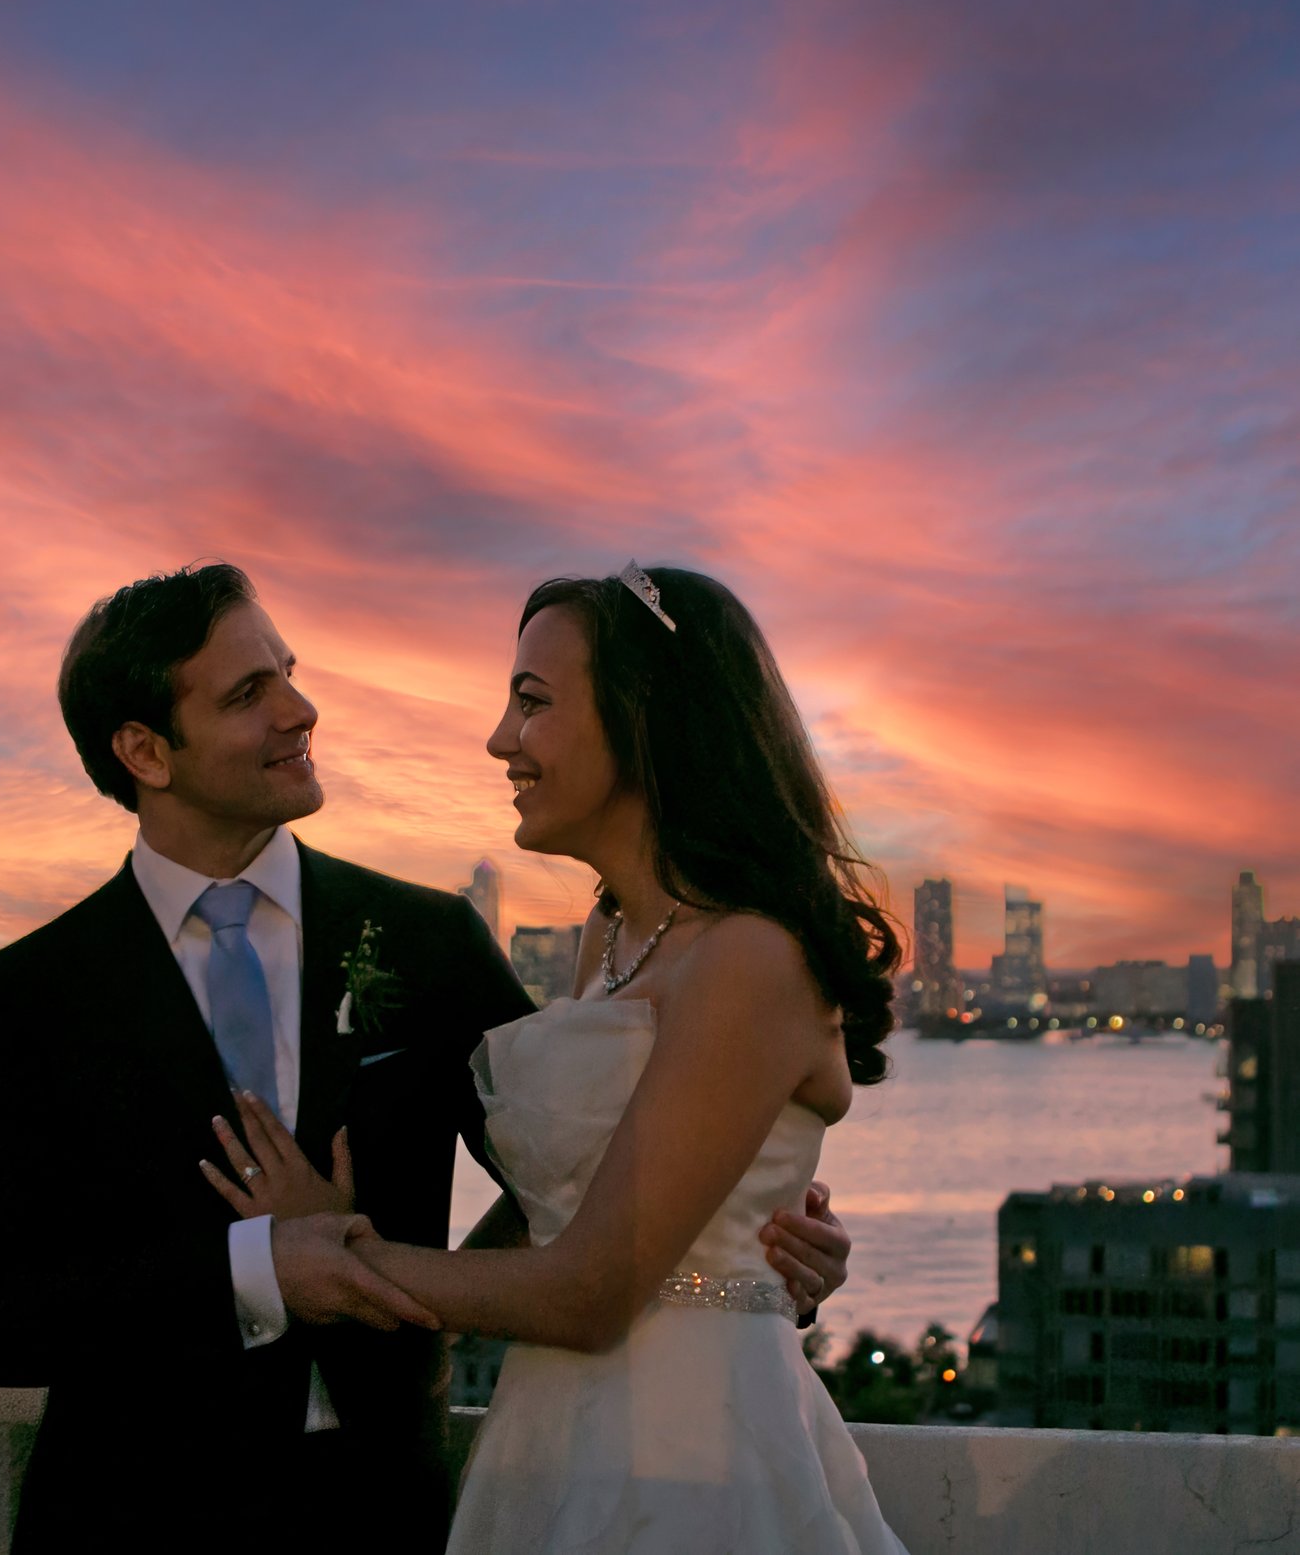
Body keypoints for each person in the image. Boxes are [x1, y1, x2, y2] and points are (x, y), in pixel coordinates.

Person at [0, 563, 855, 1551]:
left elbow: (569, 1179)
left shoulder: (428, 939)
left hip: (386, 1515)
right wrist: (261, 1266)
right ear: (145, 749)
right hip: (126, 1519)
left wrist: (742, 1240)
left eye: (288, 671)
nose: (302, 709)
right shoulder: (33, 991)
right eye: (251, 692)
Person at [214, 564, 909, 1553]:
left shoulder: (751, 953)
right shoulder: (612, 937)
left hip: (690, 1446)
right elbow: (563, 1204)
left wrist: (339, 1261)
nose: (500, 737)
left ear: (643, 719)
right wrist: (358, 1235)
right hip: (553, 1427)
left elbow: (587, 1289)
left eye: (531, 701)